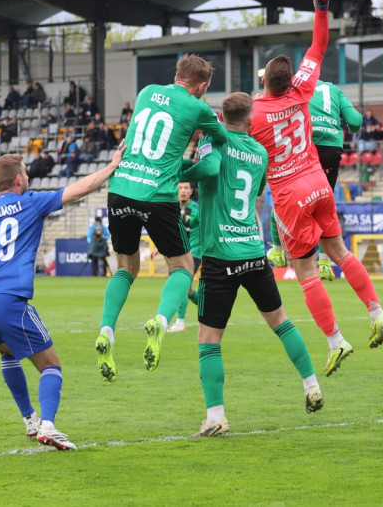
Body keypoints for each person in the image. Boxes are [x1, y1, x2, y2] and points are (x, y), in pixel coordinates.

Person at [250, 0, 383, 377]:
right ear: (290, 79)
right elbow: (318, 46)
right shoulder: (303, 90)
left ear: (264, 82)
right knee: (341, 253)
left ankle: (335, 341)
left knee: (308, 274)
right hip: (319, 182)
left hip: (290, 192)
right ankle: (377, 312)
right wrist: (321, 7)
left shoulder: (255, 114)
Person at [0, 148, 124, 451]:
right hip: (4, 301)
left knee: (8, 352)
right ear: (18, 179)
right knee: (50, 365)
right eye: (26, 173)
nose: (28, 177)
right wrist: (111, 167)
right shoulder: (29, 203)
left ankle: (30, 419)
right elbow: (82, 188)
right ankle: (49, 426)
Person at [179, 92, 323, 437]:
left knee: (208, 338)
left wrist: (177, 168)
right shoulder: (260, 152)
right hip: (252, 252)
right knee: (282, 323)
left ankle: (216, 417)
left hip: (220, 255)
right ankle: (311, 384)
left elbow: (207, 171)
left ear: (223, 117)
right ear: (251, 119)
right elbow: (259, 191)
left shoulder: (216, 143)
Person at [95, 53, 229, 383]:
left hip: (121, 188)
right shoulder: (198, 107)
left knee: (126, 267)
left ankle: (106, 330)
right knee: (182, 266)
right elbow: (222, 137)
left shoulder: (145, 92)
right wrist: (208, 125)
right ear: (202, 85)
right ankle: (161, 319)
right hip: (157, 194)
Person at [266, 78, 362, 282]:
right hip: (331, 149)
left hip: (305, 146)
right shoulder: (334, 89)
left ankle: (277, 250)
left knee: (286, 196)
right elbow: (355, 122)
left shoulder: (293, 86)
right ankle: (326, 264)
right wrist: (345, 126)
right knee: (324, 206)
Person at [166, 181, 202, 333]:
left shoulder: (197, 209)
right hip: (177, 253)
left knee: (181, 286)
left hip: (194, 252)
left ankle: (180, 322)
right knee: (188, 291)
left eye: (186, 188)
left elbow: (207, 230)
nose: (182, 191)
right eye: (179, 187)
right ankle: (209, 307)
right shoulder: (171, 208)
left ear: (191, 191)